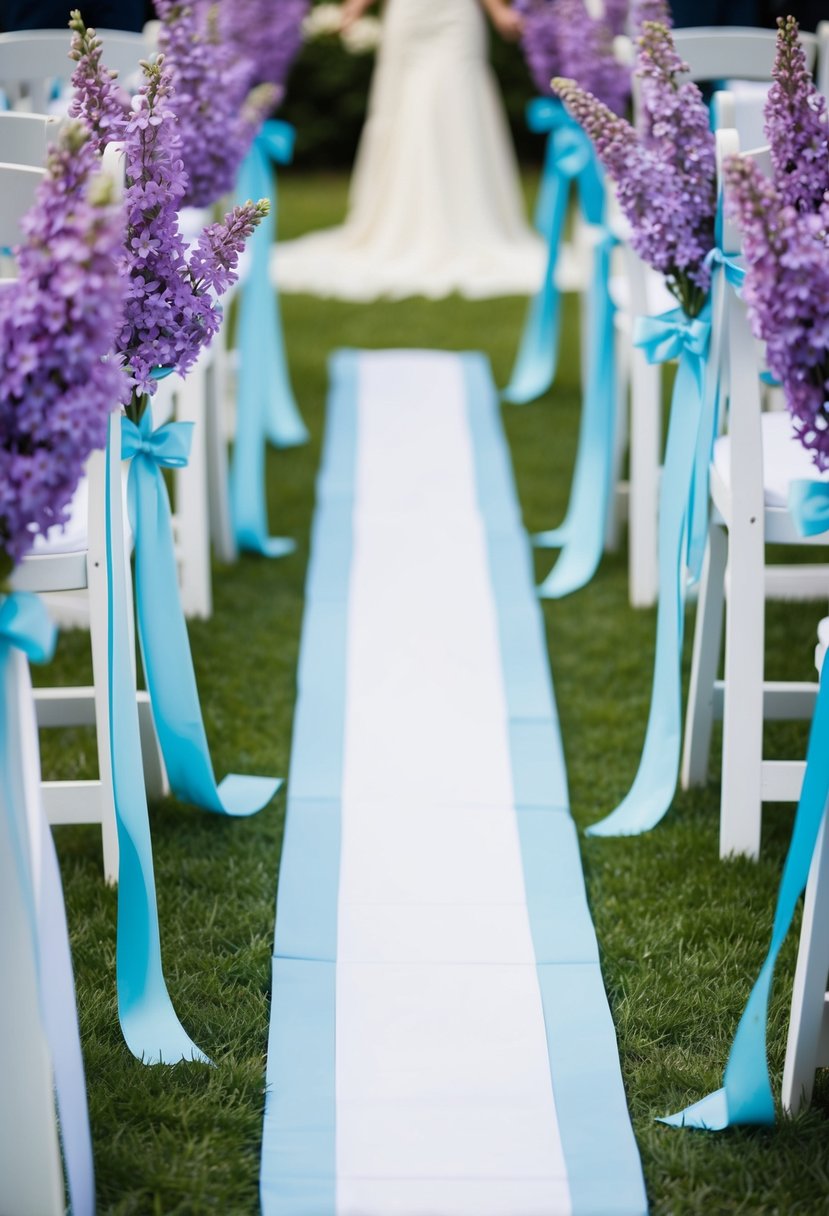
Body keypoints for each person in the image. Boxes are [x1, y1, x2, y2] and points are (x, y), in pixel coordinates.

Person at [274, 0, 545, 300]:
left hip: (456, 15)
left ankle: (466, 218)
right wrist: (357, 6)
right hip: (408, 17)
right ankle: (406, 218)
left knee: (457, 109)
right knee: (405, 112)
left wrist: (496, 10)